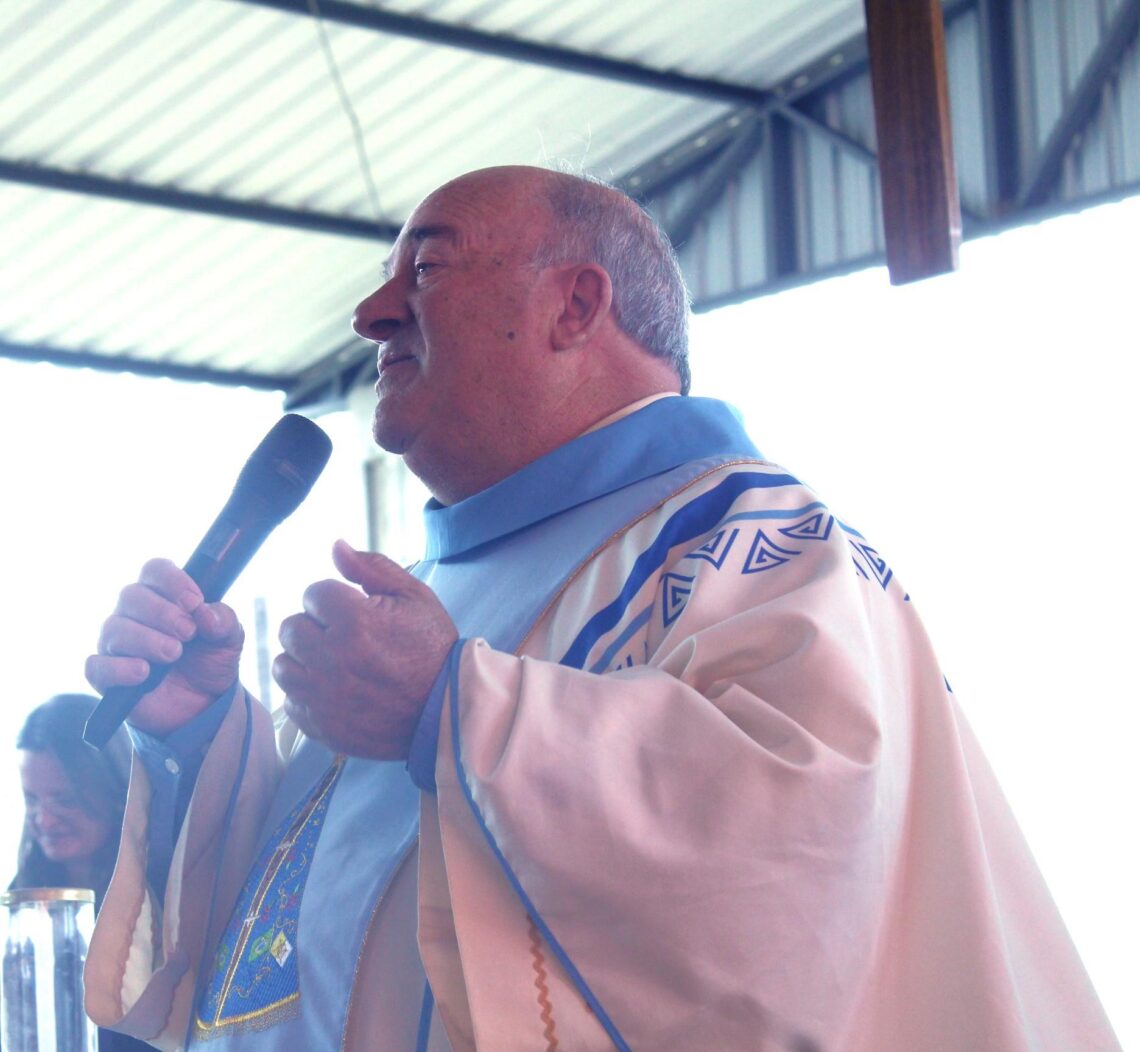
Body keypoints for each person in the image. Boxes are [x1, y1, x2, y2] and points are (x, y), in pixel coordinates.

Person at [82, 166, 1119, 1051]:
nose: (372, 311)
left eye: (426, 268)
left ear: (576, 307)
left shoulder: (755, 540)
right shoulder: (420, 599)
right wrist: (197, 736)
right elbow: (295, 947)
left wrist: (457, 709)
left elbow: (794, 853)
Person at [11, 694, 154, 1052]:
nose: (43, 820)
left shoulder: (156, 901)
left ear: (112, 789)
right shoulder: (23, 900)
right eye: (32, 799)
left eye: (64, 800)